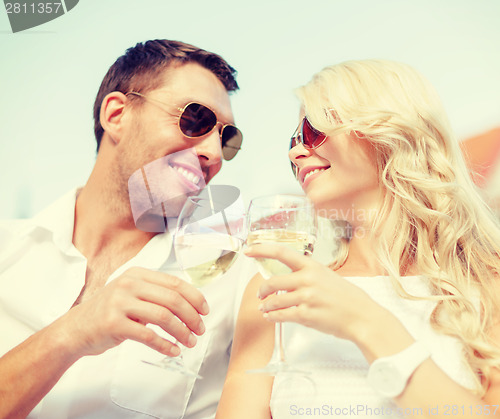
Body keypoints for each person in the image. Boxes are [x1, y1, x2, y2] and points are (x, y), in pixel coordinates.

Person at [216, 59, 500, 419]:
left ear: (389, 131)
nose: (295, 152)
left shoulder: (489, 283)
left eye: (313, 130)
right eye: (294, 140)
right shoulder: (277, 289)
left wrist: (366, 322)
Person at [0, 39, 248, 419]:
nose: (214, 155)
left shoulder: (234, 280)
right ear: (117, 115)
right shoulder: (6, 253)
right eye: (196, 119)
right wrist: (71, 334)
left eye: (227, 139)